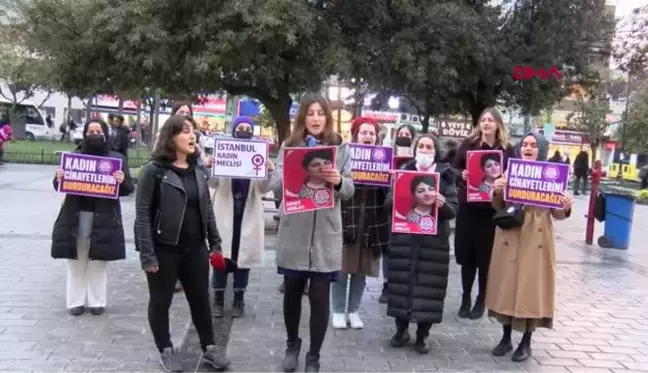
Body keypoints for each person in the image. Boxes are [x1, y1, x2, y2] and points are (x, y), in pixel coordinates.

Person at [134, 115, 230, 372]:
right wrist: (147, 255)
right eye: (186, 131)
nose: (193, 136)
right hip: (164, 249)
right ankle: (166, 349)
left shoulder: (198, 170)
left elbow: (207, 210)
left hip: (196, 249)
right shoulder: (153, 171)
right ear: (171, 136)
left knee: (201, 299)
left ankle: (209, 348)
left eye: (194, 132)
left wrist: (216, 244)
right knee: (160, 300)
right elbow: (142, 215)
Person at [272, 95, 354, 373]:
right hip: (294, 232)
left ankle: (314, 357)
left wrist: (339, 181)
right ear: (302, 118)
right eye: (310, 113)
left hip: (325, 236)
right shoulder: (289, 145)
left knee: (320, 297)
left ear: (327, 117)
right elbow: (275, 187)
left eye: (320, 113)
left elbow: (350, 189)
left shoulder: (340, 148)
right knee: (292, 293)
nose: (315, 118)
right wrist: (288, 173)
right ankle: (292, 345)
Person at [486, 131, 573, 362]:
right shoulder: (508, 172)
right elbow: (498, 206)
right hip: (510, 233)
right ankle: (505, 338)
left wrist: (565, 205)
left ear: (541, 150)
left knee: (530, 290)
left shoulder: (551, 175)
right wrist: (497, 189)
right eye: (525, 144)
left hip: (537, 238)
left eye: (534, 145)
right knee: (506, 286)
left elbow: (558, 213)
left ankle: (526, 342)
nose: (528, 148)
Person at [51, 119, 134, 316]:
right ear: (85, 134)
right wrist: (59, 177)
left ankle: (97, 301)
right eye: (91, 131)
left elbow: (128, 189)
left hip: (104, 217)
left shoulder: (117, 159)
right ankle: (75, 302)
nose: (95, 134)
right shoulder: (74, 157)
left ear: (105, 134)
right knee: (76, 261)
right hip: (75, 215)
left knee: (99, 262)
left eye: (98, 130)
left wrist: (122, 182)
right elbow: (57, 186)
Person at [386, 134, 458, 354]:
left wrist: (443, 204)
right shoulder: (404, 171)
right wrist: (397, 194)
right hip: (404, 240)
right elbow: (388, 203)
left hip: (433, 244)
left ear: (435, 151)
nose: (425, 151)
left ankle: (422, 335)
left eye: (429, 147)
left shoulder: (446, 176)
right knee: (401, 285)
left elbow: (454, 210)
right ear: (415, 149)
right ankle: (401, 329)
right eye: (421, 146)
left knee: (429, 289)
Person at [209, 116, 275, 318]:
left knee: (243, 259)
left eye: (248, 128)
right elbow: (213, 184)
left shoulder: (257, 155)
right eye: (240, 127)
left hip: (248, 212)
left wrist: (268, 172)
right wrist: (210, 166)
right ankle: (218, 300)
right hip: (226, 212)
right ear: (234, 130)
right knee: (222, 258)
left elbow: (264, 188)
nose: (244, 130)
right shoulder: (225, 152)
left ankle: (239, 299)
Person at [453, 107, 516, 320]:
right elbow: (453, 169)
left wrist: (505, 180)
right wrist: (460, 174)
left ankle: (481, 299)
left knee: (485, 257)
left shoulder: (507, 150)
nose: (486, 123)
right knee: (467, 255)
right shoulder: (468, 145)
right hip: (469, 208)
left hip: (491, 212)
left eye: (490, 120)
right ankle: (466, 298)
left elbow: (514, 176)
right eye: (483, 119)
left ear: (498, 124)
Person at [331, 117, 389, 330]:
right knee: (341, 269)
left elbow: (387, 195)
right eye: (364, 133)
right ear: (356, 134)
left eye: (372, 134)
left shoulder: (383, 159)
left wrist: (388, 179)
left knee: (361, 271)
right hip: (347, 218)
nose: (368, 137)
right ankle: (337, 310)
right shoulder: (345, 155)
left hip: (371, 222)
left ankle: (353, 310)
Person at [379, 123, 417, 304]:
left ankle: (401, 285)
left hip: (410, 209)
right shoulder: (387, 156)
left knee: (405, 249)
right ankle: (386, 284)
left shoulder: (417, 158)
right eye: (401, 133)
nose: (403, 136)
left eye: (407, 134)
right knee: (388, 249)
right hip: (390, 206)